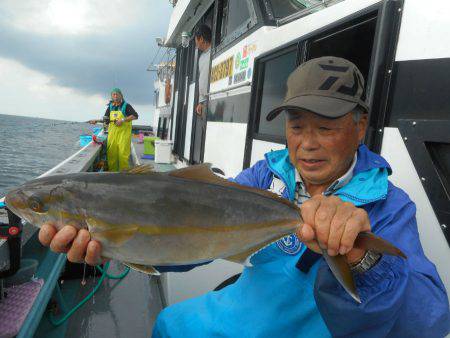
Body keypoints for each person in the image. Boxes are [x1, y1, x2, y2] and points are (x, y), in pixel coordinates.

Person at [39, 57, 450, 337]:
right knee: (169, 323)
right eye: (296, 126)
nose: (307, 145)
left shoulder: (389, 205)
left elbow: (427, 322)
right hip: (244, 311)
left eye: (326, 128)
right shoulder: (265, 177)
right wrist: (116, 244)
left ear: (360, 129)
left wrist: (363, 259)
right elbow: (194, 237)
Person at [90, 88, 138, 171]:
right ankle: (113, 174)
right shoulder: (110, 107)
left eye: (117, 94)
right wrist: (96, 121)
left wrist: (122, 120)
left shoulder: (126, 106)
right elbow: (106, 120)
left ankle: (124, 175)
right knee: (111, 155)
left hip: (123, 135)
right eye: (113, 94)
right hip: (112, 135)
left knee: (123, 155)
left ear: (121, 95)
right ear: (111, 96)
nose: (115, 96)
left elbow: (135, 116)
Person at [194, 24, 211, 117]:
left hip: (212, 99)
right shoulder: (201, 58)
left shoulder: (215, 52)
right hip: (204, 102)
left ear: (201, 39)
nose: (196, 43)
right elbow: (202, 80)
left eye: (196, 39)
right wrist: (200, 102)